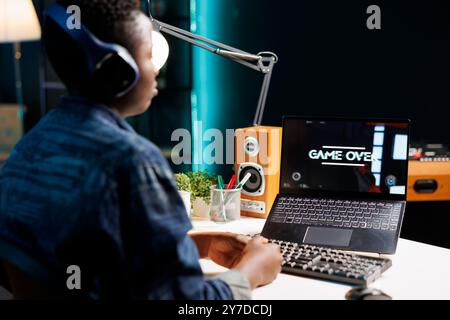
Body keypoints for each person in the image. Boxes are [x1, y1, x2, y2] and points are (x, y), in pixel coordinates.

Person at [0, 0, 282, 299]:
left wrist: (197, 245)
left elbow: (88, 256)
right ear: (118, 69)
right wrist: (251, 272)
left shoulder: (27, 150)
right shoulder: (131, 161)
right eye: (149, 55)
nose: (157, 68)